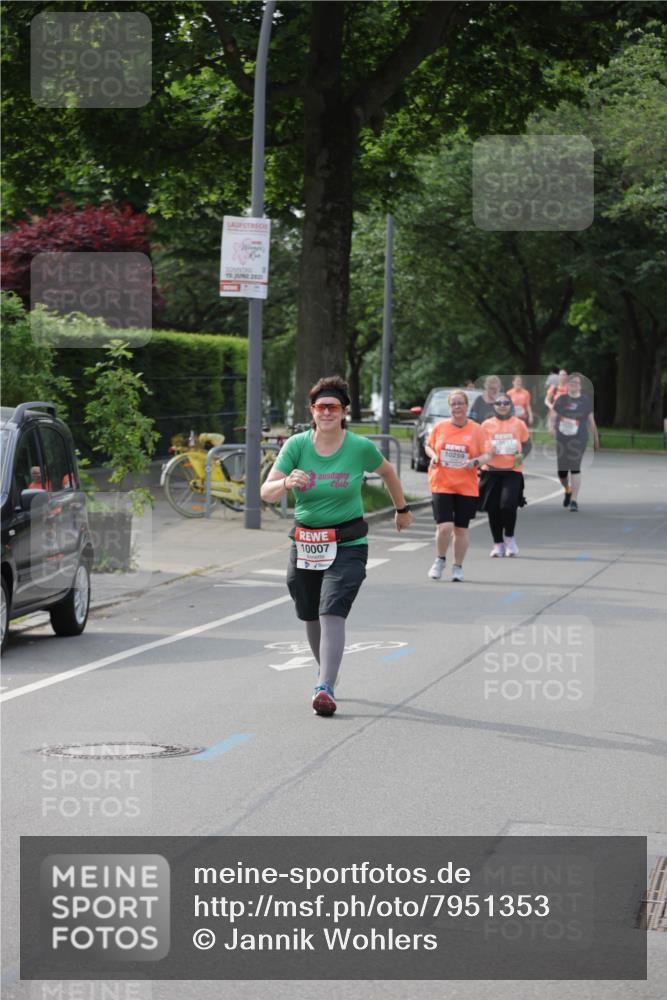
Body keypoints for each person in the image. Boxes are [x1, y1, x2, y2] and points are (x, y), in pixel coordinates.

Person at [260, 375, 412, 716]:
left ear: (344, 411)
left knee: (331, 608)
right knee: (310, 611)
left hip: (348, 541)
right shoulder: (296, 446)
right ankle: (326, 670)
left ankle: (324, 686)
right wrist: (285, 482)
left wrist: (402, 510)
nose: (326, 413)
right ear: (312, 411)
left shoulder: (359, 447)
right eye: (319, 407)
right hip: (306, 542)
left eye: (332, 407)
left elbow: (388, 473)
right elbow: (264, 492)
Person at [424, 389, 491, 582]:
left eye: (460, 403)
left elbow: (488, 454)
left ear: (466, 406)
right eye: (453, 404)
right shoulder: (440, 427)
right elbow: (428, 446)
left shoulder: (477, 430)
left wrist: (476, 462)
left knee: (461, 529)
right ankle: (440, 559)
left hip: (466, 486)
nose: (457, 407)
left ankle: (457, 566)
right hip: (441, 482)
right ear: (449, 407)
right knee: (444, 527)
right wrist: (434, 456)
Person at [478, 396, 530, 556]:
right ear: (493, 406)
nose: (502, 405)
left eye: (505, 403)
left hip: (512, 472)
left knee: (508, 505)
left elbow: (527, 444)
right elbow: (479, 445)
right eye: (498, 403)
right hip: (491, 471)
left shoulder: (518, 424)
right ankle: (498, 544)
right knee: (493, 509)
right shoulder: (486, 425)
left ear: (510, 405)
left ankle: (509, 538)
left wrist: (518, 460)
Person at [551, 372, 600, 511]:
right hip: (562, 438)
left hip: (579, 438)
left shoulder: (585, 401)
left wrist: (595, 437)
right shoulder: (561, 399)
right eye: (571, 383)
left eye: (576, 383)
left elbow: (591, 421)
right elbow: (553, 416)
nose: (574, 385)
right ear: (568, 385)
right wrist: (551, 427)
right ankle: (567, 489)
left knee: (575, 467)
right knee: (562, 472)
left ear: (580, 386)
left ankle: (574, 500)